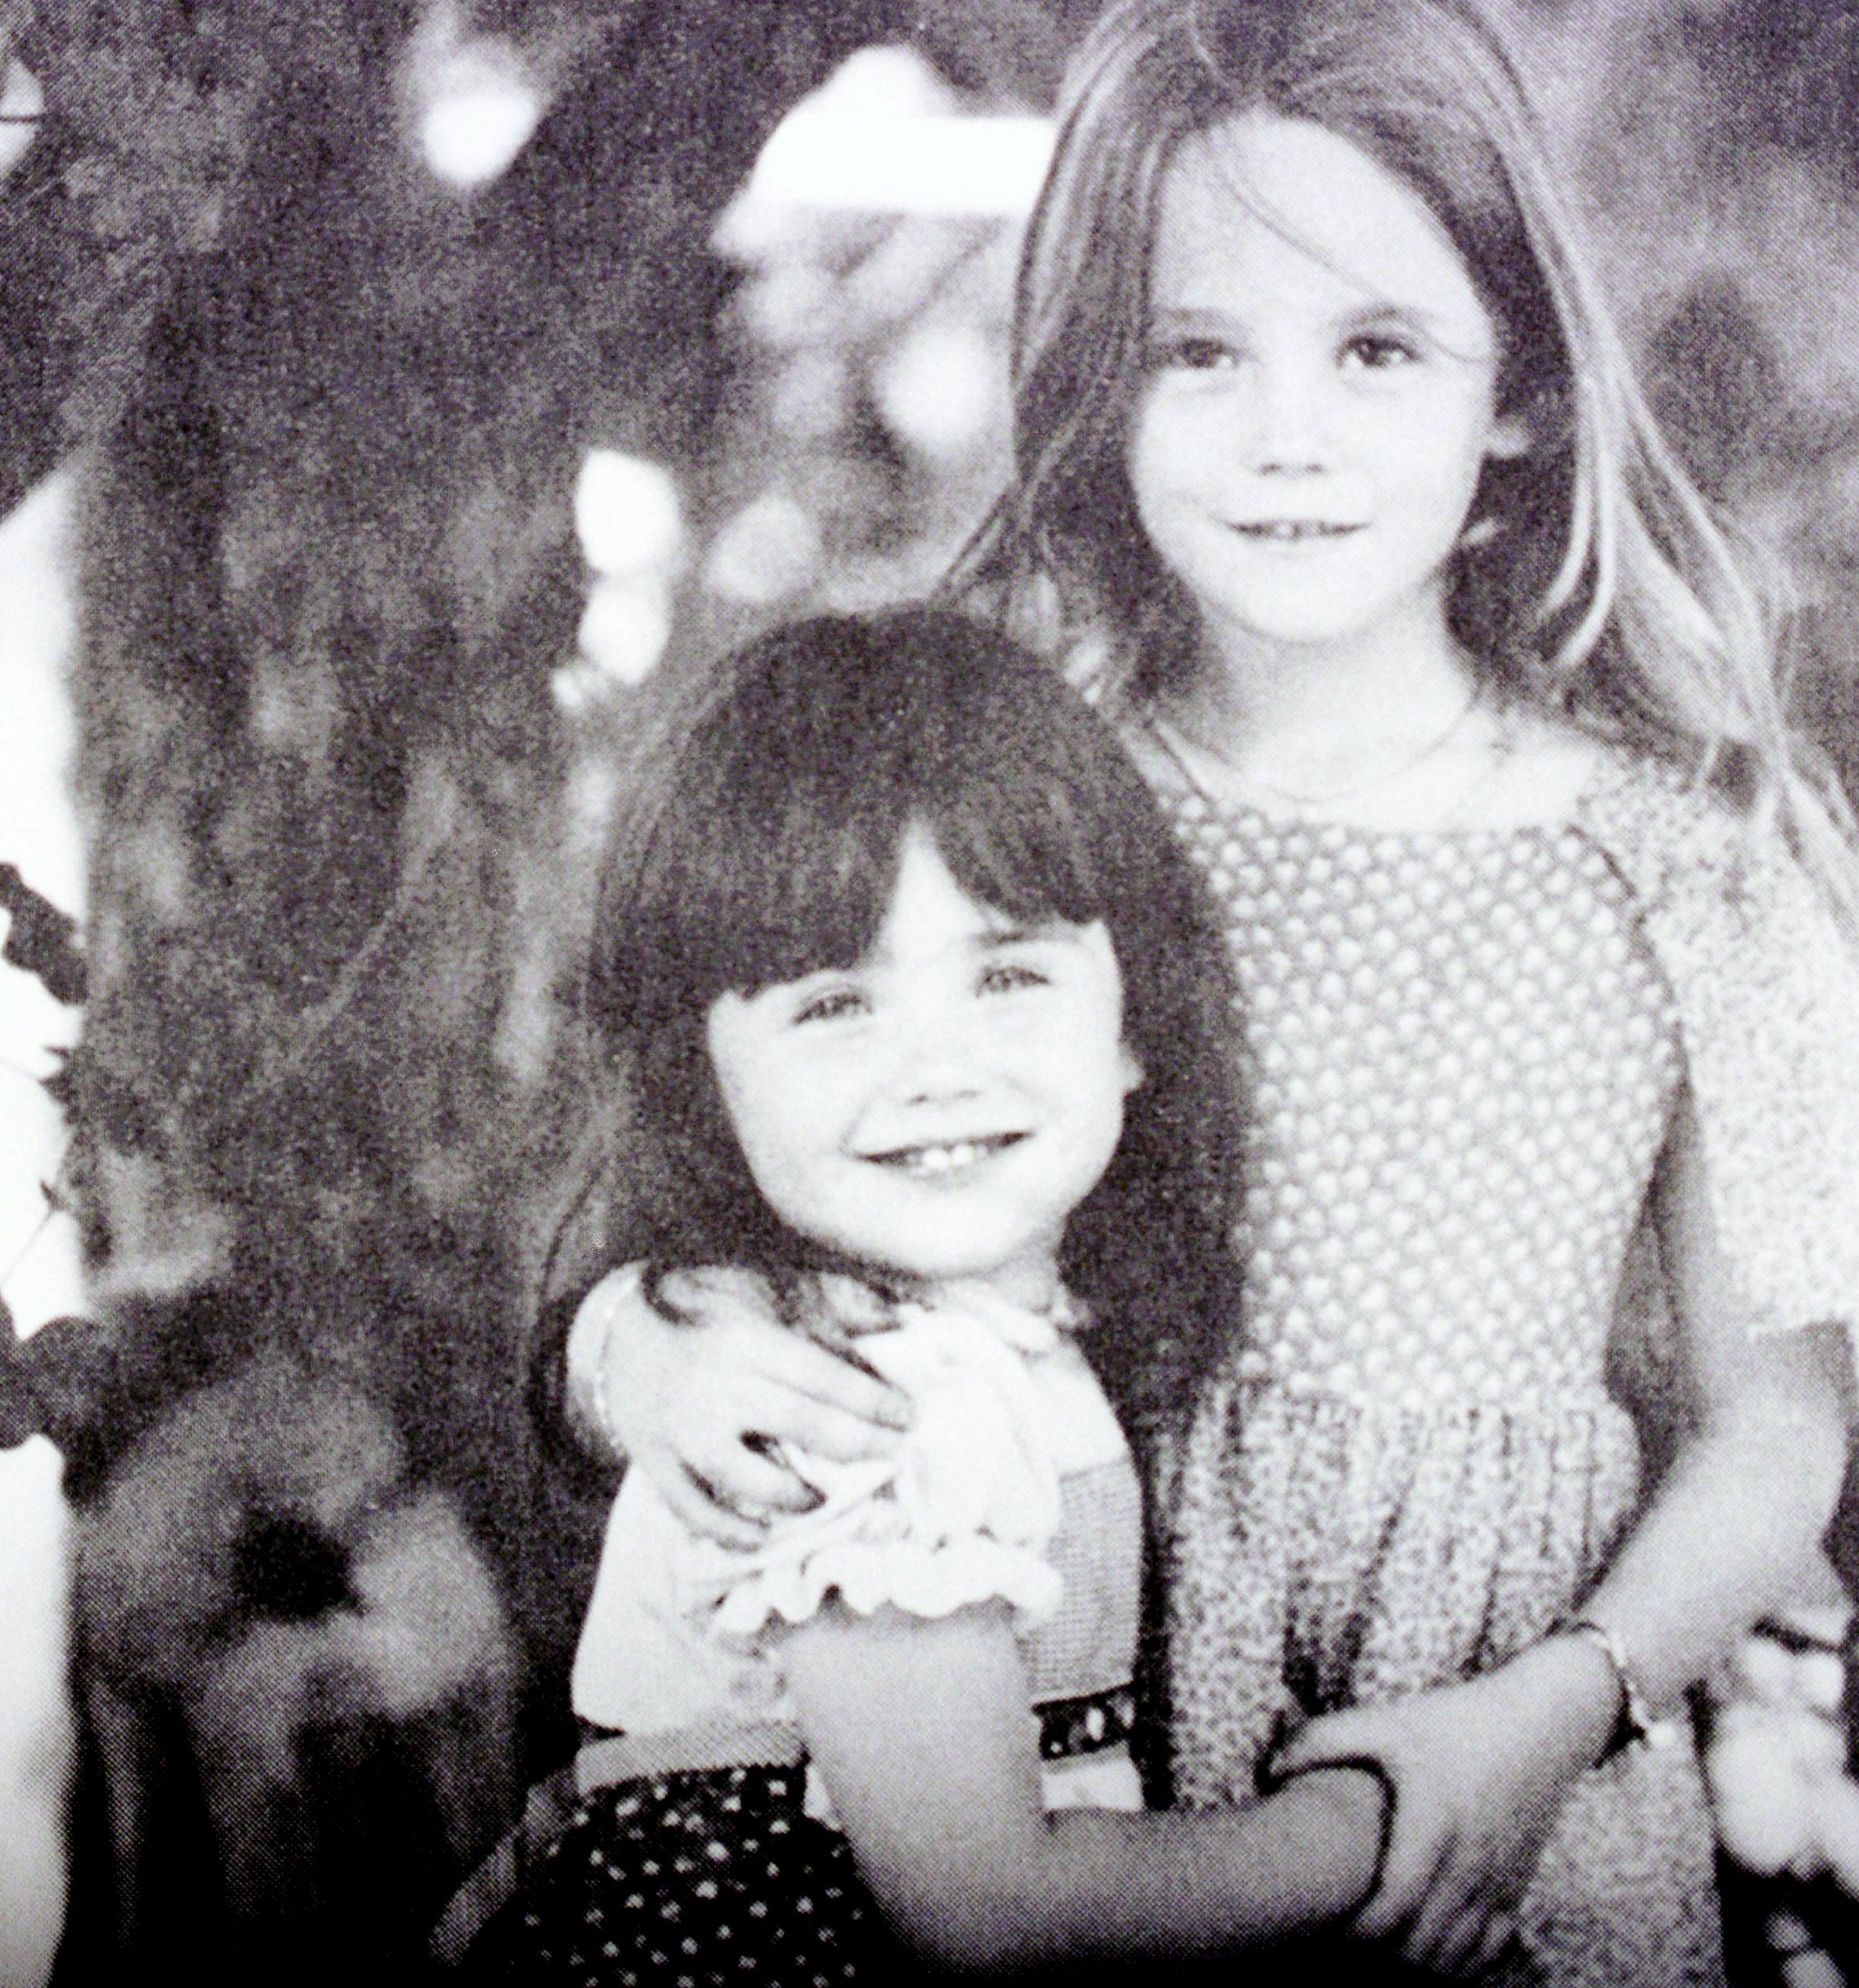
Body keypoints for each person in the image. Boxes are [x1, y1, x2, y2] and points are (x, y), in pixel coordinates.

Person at [559, 0, 1859, 1986]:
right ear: (1097, 383)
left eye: (1379, 349)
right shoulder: (1025, 813)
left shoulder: (1686, 852)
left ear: (1518, 389)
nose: (1285, 433)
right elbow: (704, 1186)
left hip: (1526, 1758)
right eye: (1197, 351)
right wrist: (650, 1356)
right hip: (1101, 1728)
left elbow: (1776, 1427)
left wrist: (1547, 1713)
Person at [483, 605, 1394, 1983]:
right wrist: (1354, 1833)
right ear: (703, 1078)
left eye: (1009, 973)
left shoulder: (1018, 1341)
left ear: (1137, 1020)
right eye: (836, 1005)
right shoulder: (868, 1401)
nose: (937, 1067)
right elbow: (987, 1900)